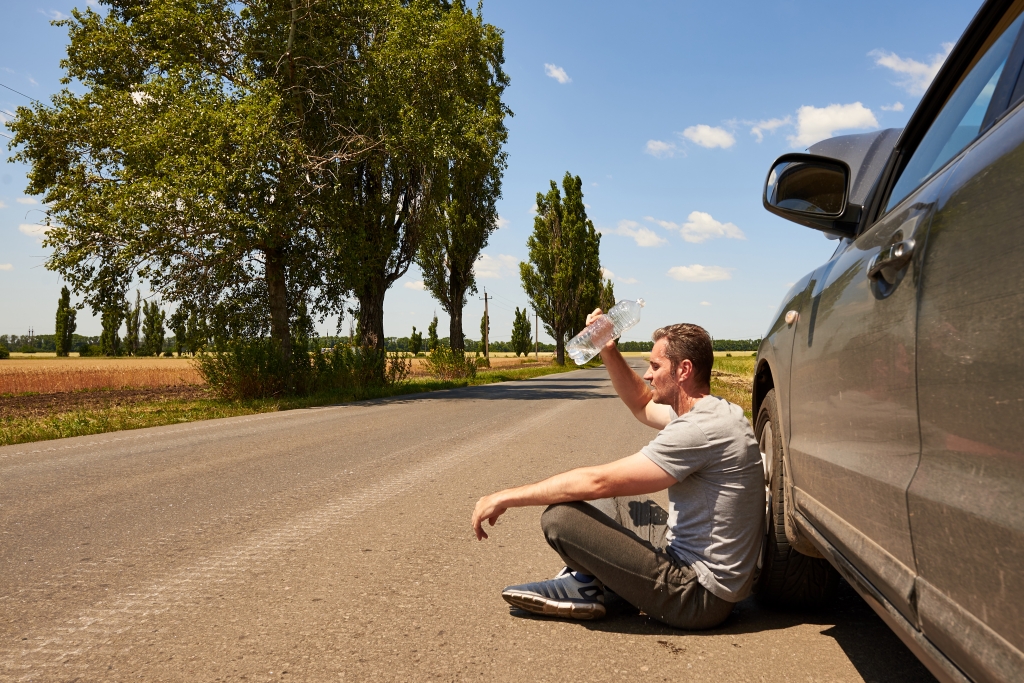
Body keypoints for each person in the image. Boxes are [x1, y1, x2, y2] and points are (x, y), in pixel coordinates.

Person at [471, 315, 764, 629]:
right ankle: (588, 580)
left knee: (561, 518)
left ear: (683, 370)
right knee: (614, 504)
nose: (648, 375)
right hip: (704, 573)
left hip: (697, 595)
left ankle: (587, 585)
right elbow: (640, 403)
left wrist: (505, 497)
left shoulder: (700, 430)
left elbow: (597, 481)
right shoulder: (714, 411)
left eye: (655, 366)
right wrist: (607, 346)